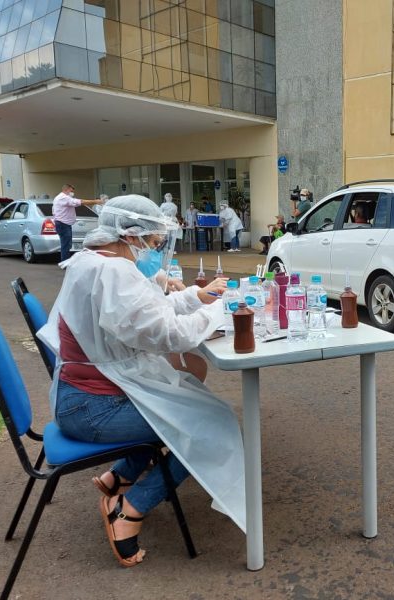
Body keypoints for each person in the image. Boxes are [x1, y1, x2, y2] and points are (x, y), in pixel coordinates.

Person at [37, 195, 244, 568]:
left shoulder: (95, 260)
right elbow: (167, 334)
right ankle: (130, 510)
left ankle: (118, 478)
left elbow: (149, 309)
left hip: (82, 396)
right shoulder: (112, 272)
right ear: (130, 235)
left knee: (183, 401)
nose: (154, 249)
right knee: (209, 423)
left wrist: (197, 296)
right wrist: (217, 309)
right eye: (152, 241)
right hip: (92, 408)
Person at [52, 184, 102, 262]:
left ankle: (65, 261)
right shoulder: (63, 198)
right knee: (66, 245)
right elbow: (80, 202)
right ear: (66, 190)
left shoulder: (61, 198)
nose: (72, 193)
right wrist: (96, 201)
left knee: (66, 244)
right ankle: (65, 262)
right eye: (71, 191)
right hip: (63, 224)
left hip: (63, 224)